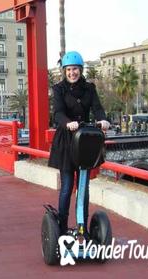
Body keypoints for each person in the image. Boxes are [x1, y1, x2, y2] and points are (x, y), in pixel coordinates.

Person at [48, 51, 110, 236]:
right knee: (67, 186)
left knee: (84, 186)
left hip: (84, 141)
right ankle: (62, 227)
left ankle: (82, 228)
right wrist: (68, 123)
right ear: (64, 71)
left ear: (80, 70)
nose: (72, 73)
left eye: (75, 69)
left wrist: (103, 120)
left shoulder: (89, 88)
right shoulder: (59, 89)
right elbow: (58, 113)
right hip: (67, 141)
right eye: (68, 69)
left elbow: (97, 108)